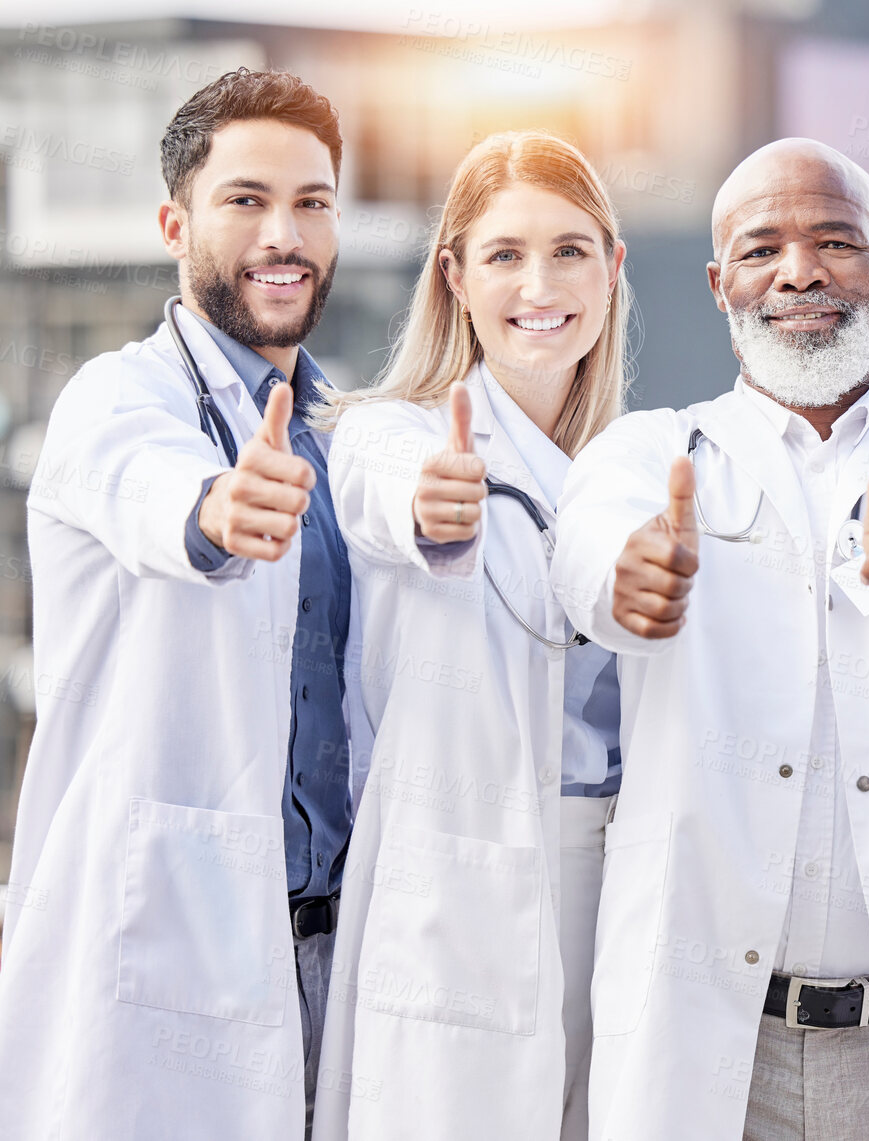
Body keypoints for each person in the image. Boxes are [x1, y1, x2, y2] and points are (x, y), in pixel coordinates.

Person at [550, 138, 869, 1141]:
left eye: (835, 241)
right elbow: (590, 547)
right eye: (762, 249)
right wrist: (630, 579)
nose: (798, 272)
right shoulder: (652, 452)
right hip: (708, 1040)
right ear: (719, 283)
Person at [0, 68, 350, 1139]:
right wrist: (219, 509)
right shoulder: (121, 397)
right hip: (167, 956)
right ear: (175, 222)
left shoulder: (351, 430)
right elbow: (156, 494)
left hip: (340, 957)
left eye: (312, 203)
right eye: (245, 200)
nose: (283, 234)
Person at [310, 130, 629, 1141]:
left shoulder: (638, 467)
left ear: (613, 267)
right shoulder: (391, 435)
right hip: (453, 904)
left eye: (571, 250)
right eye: (503, 255)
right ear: (453, 274)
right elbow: (389, 496)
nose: (540, 283)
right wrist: (438, 510)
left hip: (615, 898)